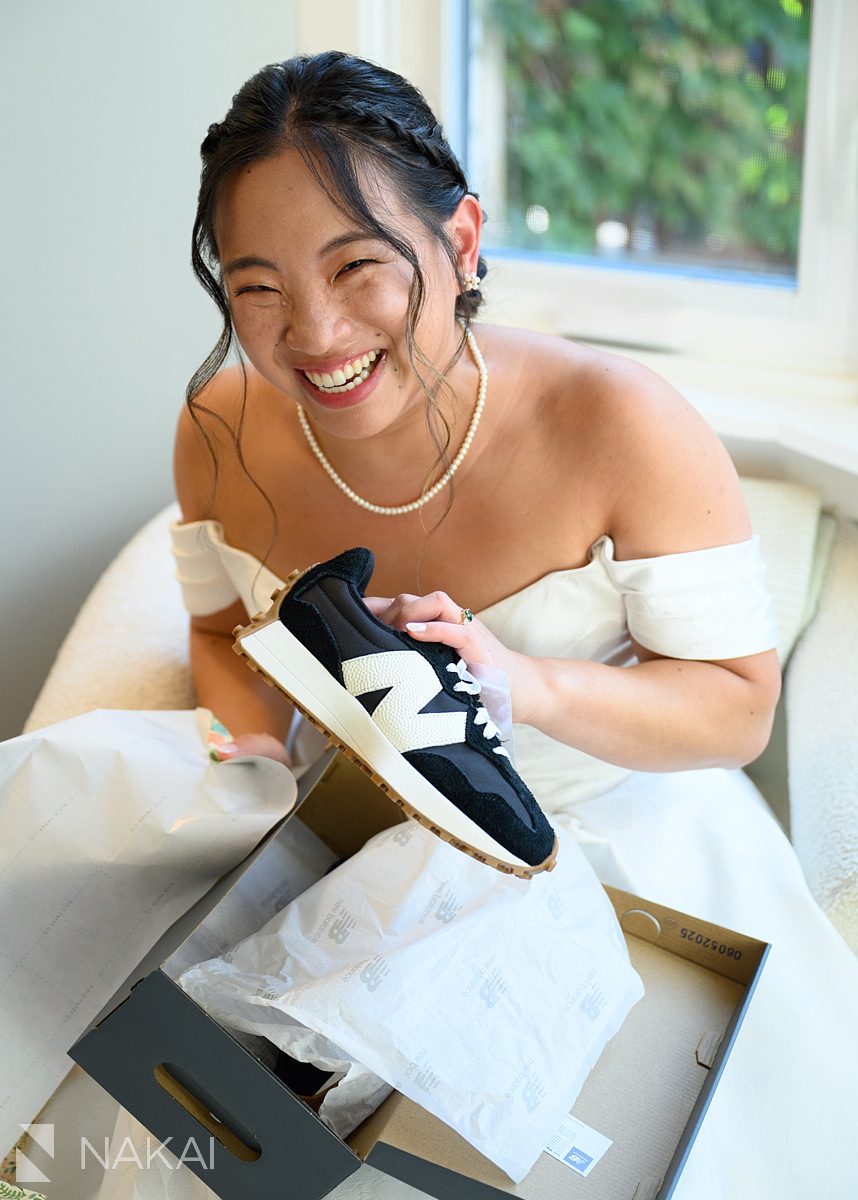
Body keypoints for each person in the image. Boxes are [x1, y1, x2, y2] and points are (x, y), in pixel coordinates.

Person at [116, 50, 858, 1199]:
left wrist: (527, 685)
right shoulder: (218, 426)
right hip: (343, 847)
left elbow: (737, 705)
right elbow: (219, 639)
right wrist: (251, 762)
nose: (313, 333)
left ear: (461, 242)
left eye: (358, 266)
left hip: (606, 835)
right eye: (256, 286)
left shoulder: (618, 423)